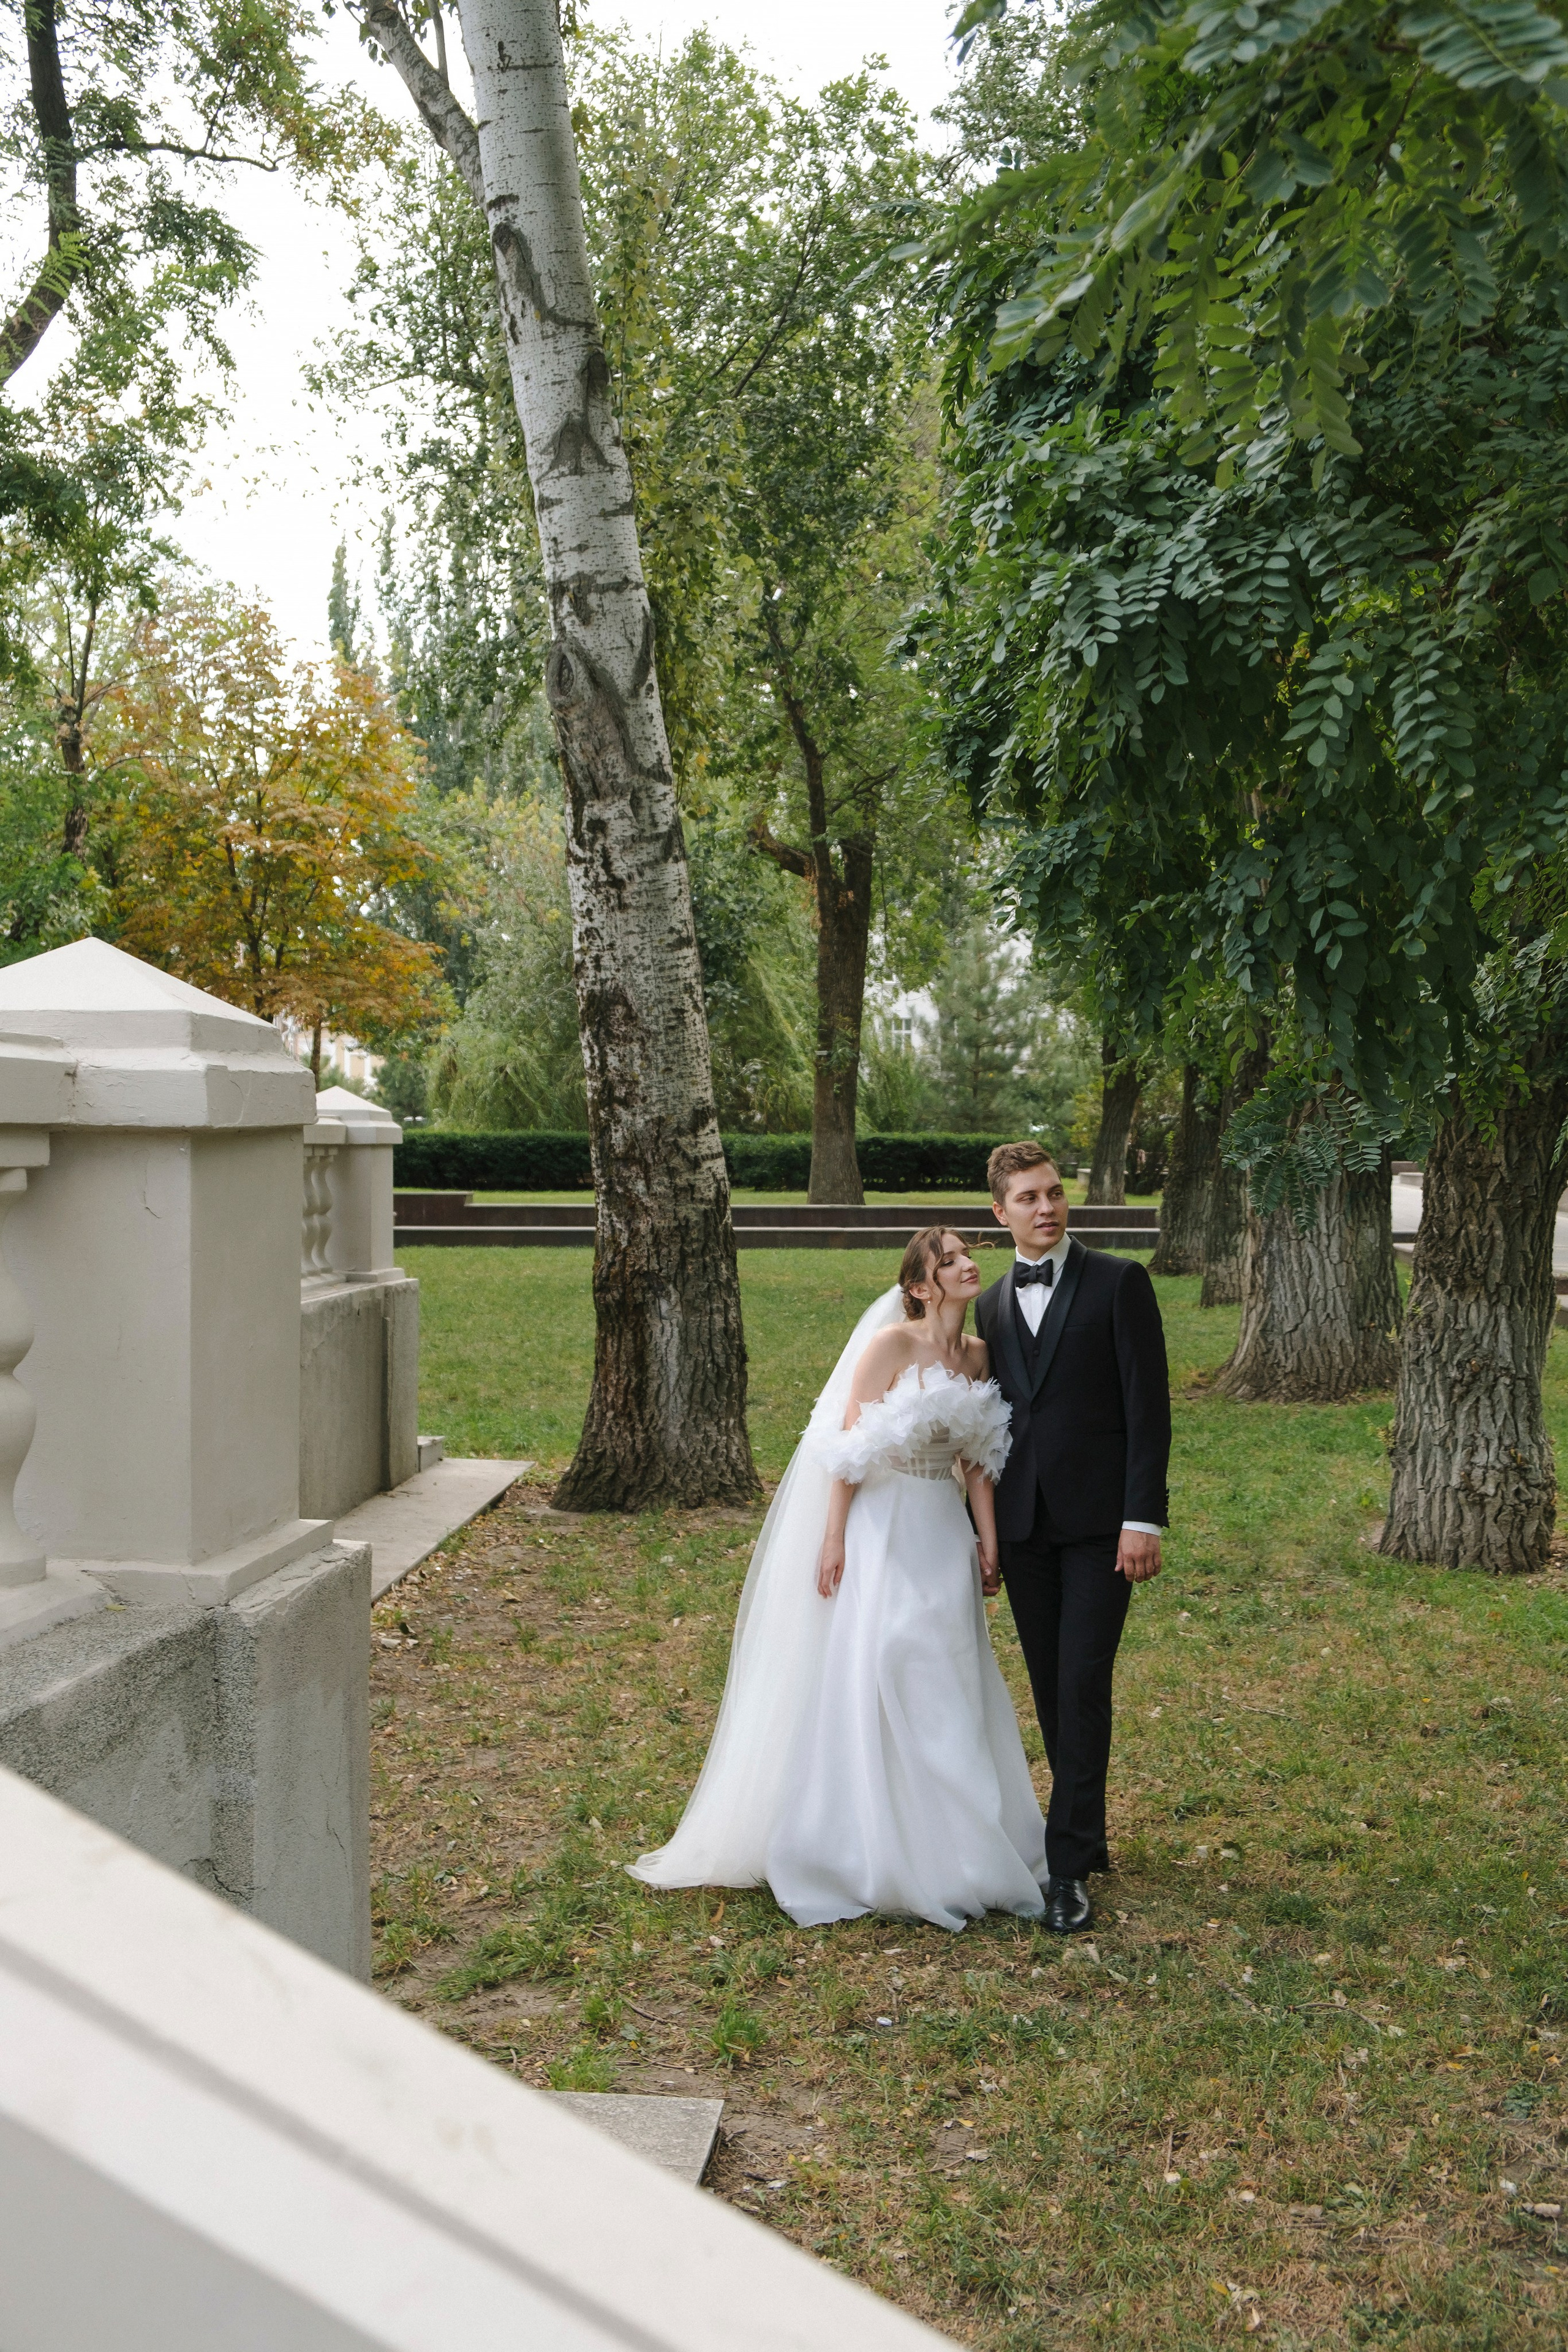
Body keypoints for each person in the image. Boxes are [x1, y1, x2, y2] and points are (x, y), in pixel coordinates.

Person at [629, 1228, 1050, 1929]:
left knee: (946, 1673)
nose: (968, 1263)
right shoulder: (889, 1346)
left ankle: (962, 1847)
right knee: (885, 1657)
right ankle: (866, 1845)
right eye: (948, 1260)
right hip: (881, 1526)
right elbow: (849, 1446)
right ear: (919, 1286)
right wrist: (832, 1538)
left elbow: (979, 1454)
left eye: (966, 1253)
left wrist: (989, 1539)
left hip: (941, 1531)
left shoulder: (977, 1354)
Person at [974, 1142, 1171, 1936]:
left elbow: (1147, 1407)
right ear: (1000, 1213)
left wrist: (1141, 1517)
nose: (1048, 1207)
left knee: (1083, 1681)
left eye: (1055, 1192)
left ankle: (1067, 1867)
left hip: (1100, 1529)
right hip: (1023, 1531)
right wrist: (981, 1536)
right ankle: (1083, 1829)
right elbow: (982, 1430)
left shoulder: (1119, 1283)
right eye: (1029, 1198)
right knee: (1054, 1688)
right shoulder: (987, 1307)